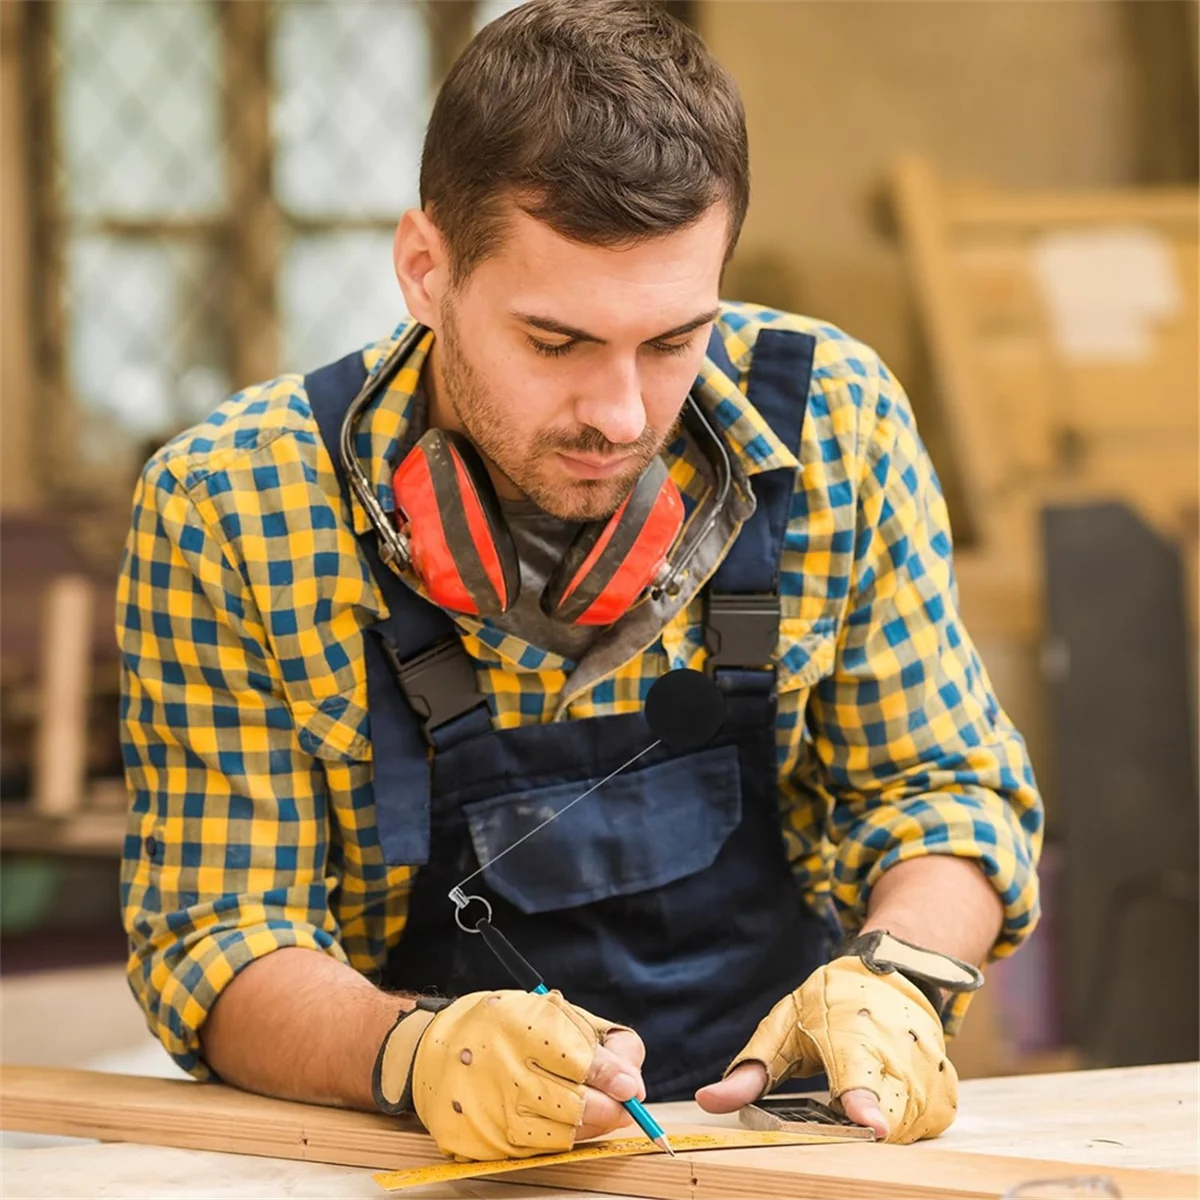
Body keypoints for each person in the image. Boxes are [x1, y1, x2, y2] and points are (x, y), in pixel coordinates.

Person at [117, 0, 1043, 1164]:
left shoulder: (835, 426)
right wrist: (416, 1053)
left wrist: (898, 981)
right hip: (419, 1160)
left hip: (786, 1156)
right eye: (555, 343)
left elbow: (944, 792)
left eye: (671, 342)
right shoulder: (233, 508)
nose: (619, 414)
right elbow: (217, 935)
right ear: (425, 268)